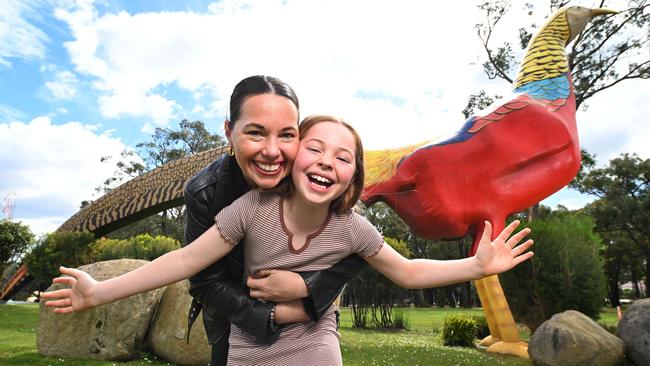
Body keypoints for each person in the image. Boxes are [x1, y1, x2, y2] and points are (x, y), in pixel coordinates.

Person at [41, 114, 534, 365]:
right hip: (248, 345)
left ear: (354, 177)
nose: (326, 161)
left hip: (315, 344)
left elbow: (405, 270)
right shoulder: (250, 210)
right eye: (314, 148)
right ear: (294, 157)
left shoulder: (354, 227)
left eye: (343, 158)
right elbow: (187, 259)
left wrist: (477, 266)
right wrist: (99, 291)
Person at [173, 75, 367, 364]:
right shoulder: (205, 191)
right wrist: (270, 315)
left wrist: (308, 287)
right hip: (234, 320)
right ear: (228, 131)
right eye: (255, 133)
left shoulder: (309, 178)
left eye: (287, 135)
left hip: (310, 323)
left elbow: (358, 246)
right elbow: (203, 278)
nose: (273, 151)